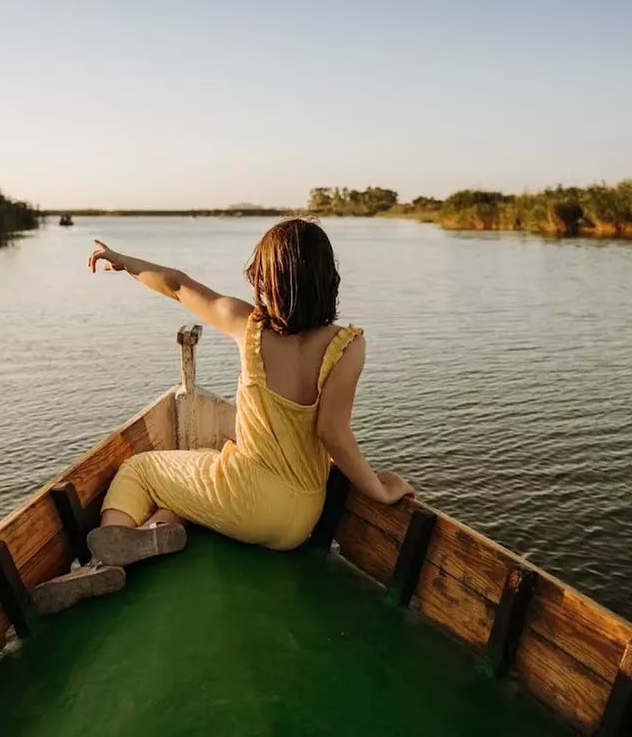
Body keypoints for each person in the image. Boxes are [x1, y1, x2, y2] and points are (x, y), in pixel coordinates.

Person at [32, 218, 415, 613]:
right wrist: (380, 489)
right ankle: (158, 531)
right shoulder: (348, 346)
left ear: (268, 279)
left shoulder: (248, 326)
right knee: (196, 473)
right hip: (302, 518)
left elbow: (177, 285)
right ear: (327, 278)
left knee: (141, 470)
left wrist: (122, 261)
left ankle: (102, 557)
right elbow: (334, 434)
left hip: (246, 501)